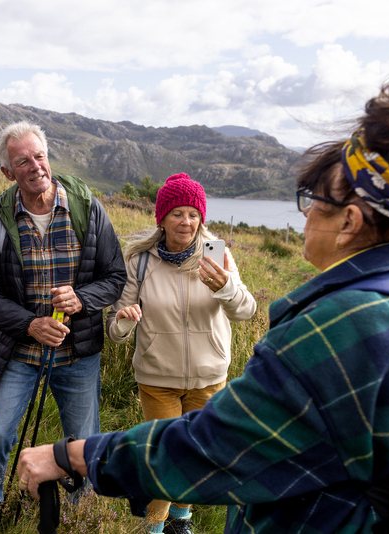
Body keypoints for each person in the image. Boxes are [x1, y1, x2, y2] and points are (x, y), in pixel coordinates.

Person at [16, 75, 389, 533]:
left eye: (314, 200)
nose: (306, 214)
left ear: (349, 221)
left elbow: (216, 447)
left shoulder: (336, 328)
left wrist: (73, 455)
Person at [0, 121, 126, 526]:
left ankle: (79, 514)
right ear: (8, 172)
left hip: (77, 352)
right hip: (20, 350)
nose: (35, 166)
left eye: (39, 156)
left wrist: (82, 299)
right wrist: (30, 325)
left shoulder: (86, 208)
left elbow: (114, 277)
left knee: (83, 441)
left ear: (48, 157)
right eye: (23, 161)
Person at [107, 172, 257, 533]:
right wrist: (124, 322)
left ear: (201, 218)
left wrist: (226, 287)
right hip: (157, 377)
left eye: (193, 214)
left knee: (194, 454)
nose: (186, 222)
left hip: (208, 377)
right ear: (162, 218)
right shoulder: (141, 261)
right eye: (177, 213)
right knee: (163, 456)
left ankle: (181, 518)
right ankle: (154, 526)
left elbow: (246, 310)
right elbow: (115, 327)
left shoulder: (218, 255)